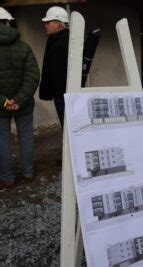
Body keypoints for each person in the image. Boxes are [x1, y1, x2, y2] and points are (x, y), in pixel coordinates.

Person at [0, 7, 40, 188]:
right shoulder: (24, 47)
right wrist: (19, 100)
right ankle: (28, 173)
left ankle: (7, 178)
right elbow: (33, 76)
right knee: (26, 137)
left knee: (3, 140)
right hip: (23, 105)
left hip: (1, 107)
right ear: (8, 22)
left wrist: (5, 102)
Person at [39, 6, 69, 127]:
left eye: (48, 22)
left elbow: (60, 73)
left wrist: (57, 95)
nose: (45, 25)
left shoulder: (62, 43)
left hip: (63, 96)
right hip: (61, 95)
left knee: (68, 128)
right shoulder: (56, 40)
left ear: (57, 24)